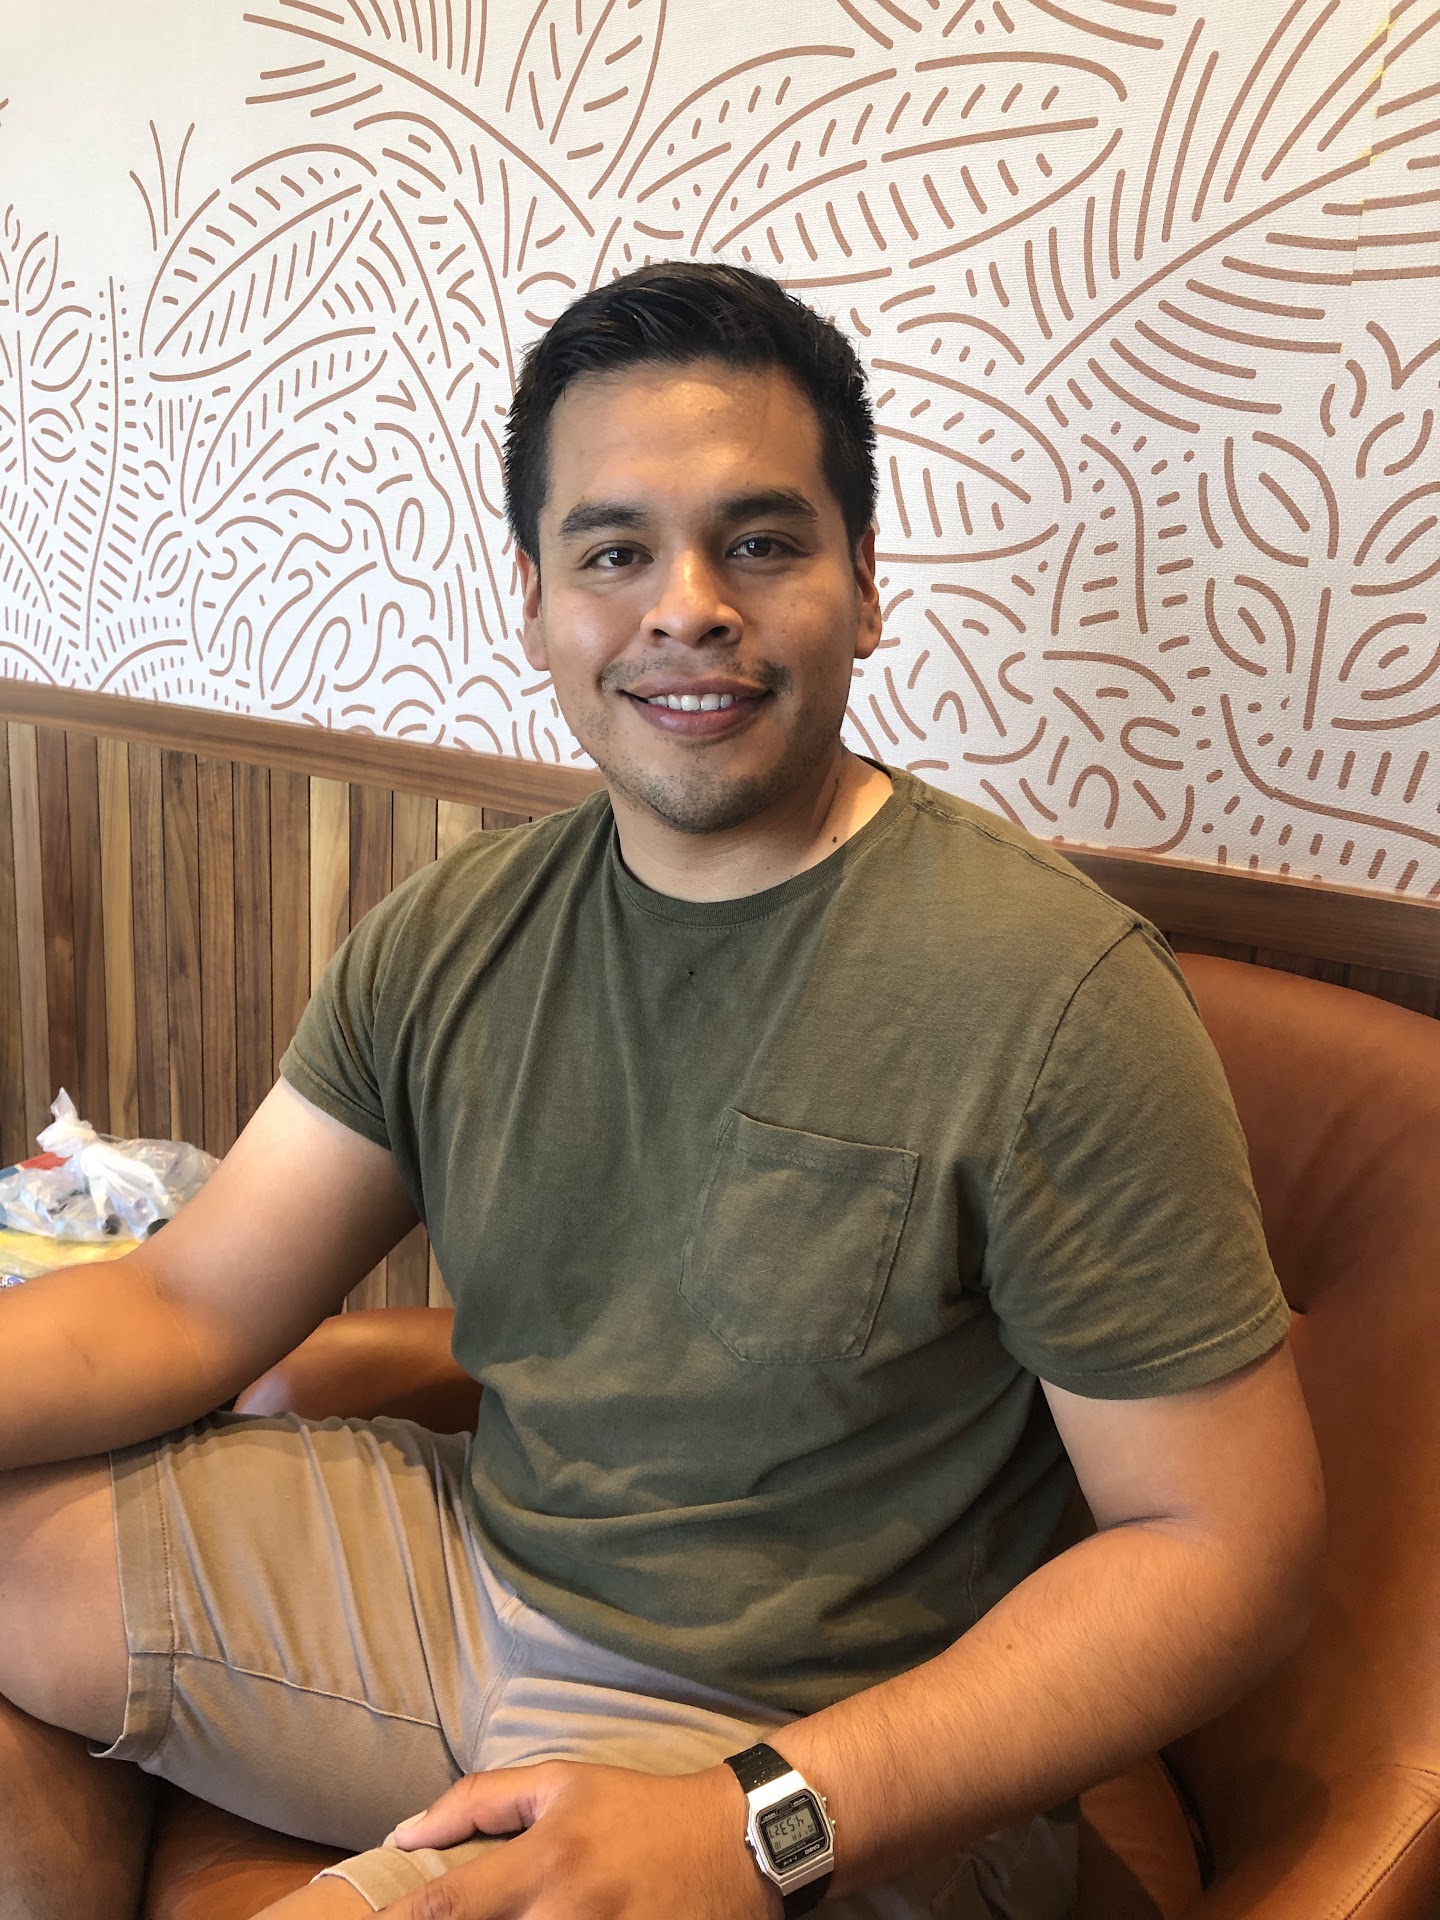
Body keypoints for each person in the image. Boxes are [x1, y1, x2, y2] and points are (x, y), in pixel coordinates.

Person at [0, 262, 1324, 1920]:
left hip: (812, 1738)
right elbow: (189, 1298)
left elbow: (1227, 1549)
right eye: (614, 552)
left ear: (864, 585)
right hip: (464, 1579)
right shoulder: (455, 934)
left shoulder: (1054, 991)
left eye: (760, 543)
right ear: (537, 601)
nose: (687, 607)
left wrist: (752, 1824)